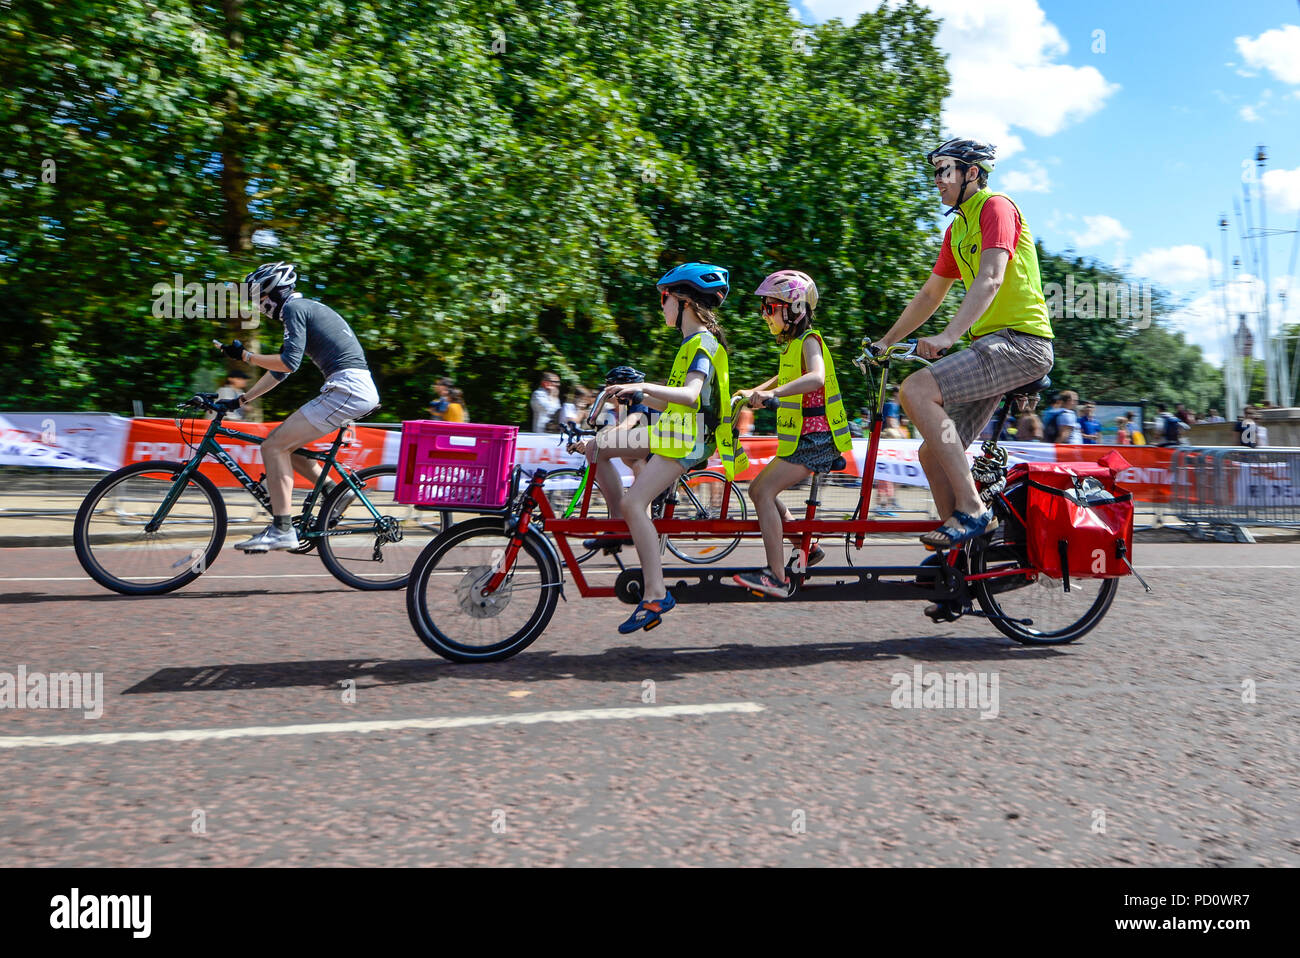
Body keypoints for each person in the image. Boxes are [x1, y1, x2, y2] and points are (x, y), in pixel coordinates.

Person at [870, 137, 1054, 553]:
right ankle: (963, 564)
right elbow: (930, 295)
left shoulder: (996, 207)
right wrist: (886, 342)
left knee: (915, 389)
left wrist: (948, 336)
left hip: (1022, 344)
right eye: (935, 172)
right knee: (931, 456)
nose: (937, 180)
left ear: (972, 173)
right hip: (992, 347)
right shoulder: (956, 229)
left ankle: (972, 507)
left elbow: (990, 277)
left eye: (943, 170)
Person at [574, 263, 745, 632]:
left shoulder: (702, 342)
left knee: (636, 502)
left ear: (683, 301)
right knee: (598, 447)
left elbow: (691, 396)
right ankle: (618, 525)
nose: (660, 306)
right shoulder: (690, 344)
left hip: (689, 439)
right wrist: (633, 396)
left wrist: (643, 387)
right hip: (673, 433)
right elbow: (672, 404)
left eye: (663, 298)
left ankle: (655, 594)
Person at [214, 260, 379, 551]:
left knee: (273, 446)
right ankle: (333, 492)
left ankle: (282, 529)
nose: (259, 306)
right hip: (351, 388)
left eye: (261, 298)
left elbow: (289, 363)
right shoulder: (303, 310)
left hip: (347, 389)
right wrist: (241, 400)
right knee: (284, 446)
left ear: (276, 292)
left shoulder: (294, 309)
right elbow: (280, 372)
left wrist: (247, 357)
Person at [732, 270, 851, 597]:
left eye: (770, 308)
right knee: (759, 489)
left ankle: (777, 576)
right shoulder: (792, 345)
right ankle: (805, 547)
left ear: (795, 309)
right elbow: (782, 375)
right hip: (803, 441)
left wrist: (774, 395)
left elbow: (815, 377)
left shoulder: (810, 340)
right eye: (765, 308)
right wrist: (754, 391)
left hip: (817, 442)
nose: (764, 315)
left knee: (762, 493)